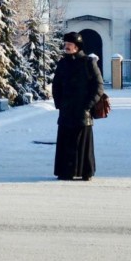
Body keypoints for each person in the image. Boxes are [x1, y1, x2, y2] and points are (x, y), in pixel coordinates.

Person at [51, 31, 104, 181]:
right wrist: (59, 103)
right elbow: (56, 85)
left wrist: (88, 104)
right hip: (66, 110)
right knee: (65, 141)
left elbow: (98, 86)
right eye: (65, 44)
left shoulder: (88, 63)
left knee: (82, 143)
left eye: (69, 44)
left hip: (82, 110)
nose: (66, 47)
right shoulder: (62, 63)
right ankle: (65, 172)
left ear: (77, 46)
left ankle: (85, 172)